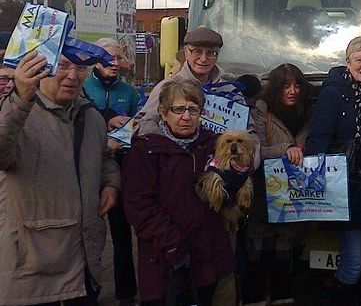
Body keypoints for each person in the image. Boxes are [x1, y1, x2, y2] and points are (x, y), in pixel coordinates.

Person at [0, 51, 120, 305]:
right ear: (43, 67)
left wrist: (110, 182)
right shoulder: (16, 112)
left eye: (81, 68)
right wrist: (21, 97)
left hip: (85, 262)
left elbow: (104, 156)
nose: (72, 76)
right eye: (63, 66)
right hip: (33, 270)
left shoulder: (90, 116)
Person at [123, 77, 234, 305]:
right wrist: (173, 243)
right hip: (165, 257)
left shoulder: (211, 144)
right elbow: (139, 205)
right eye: (179, 109)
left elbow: (226, 191)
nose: (186, 116)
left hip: (207, 254)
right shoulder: (147, 148)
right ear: (163, 113)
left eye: (193, 110)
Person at [305, 36, 361, 303]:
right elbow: (319, 137)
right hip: (348, 188)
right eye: (359, 60)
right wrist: (317, 179)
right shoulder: (333, 93)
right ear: (348, 62)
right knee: (354, 264)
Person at [240, 63, 312, 305]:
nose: (292, 91)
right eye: (285, 86)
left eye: (297, 85)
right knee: (258, 262)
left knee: (286, 262)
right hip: (264, 197)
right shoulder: (261, 110)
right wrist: (286, 149)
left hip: (294, 200)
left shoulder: (307, 112)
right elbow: (254, 149)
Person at [82, 38, 140, 305]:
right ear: (96, 59)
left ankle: (126, 293)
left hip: (120, 168)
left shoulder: (129, 92)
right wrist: (106, 125)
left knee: (122, 236)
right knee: (85, 235)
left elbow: (139, 124)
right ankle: (85, 292)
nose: (114, 63)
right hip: (85, 168)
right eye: (108, 57)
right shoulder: (82, 85)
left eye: (118, 58)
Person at [136, 26, 233, 127]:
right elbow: (141, 123)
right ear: (186, 53)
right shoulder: (167, 87)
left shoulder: (230, 90)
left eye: (211, 53)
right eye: (197, 51)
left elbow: (249, 131)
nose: (204, 59)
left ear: (217, 56)